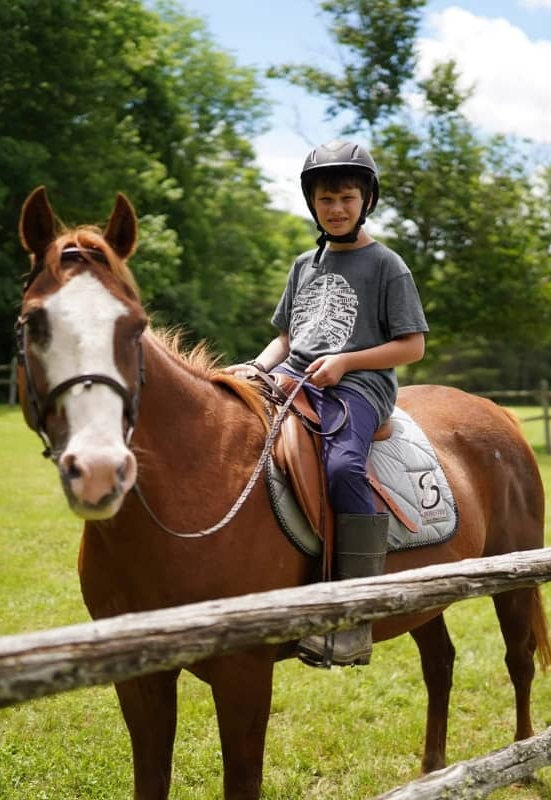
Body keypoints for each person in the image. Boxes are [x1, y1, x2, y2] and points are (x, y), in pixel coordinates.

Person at [224, 140, 429, 667]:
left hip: (358, 387)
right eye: (325, 199)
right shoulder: (303, 264)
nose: (335, 209)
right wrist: (255, 367)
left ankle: (354, 617)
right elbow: (288, 338)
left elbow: (413, 345)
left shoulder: (387, 265)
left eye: (345, 198)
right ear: (312, 204)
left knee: (341, 466)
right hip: (295, 377)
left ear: (366, 201)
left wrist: (346, 362)